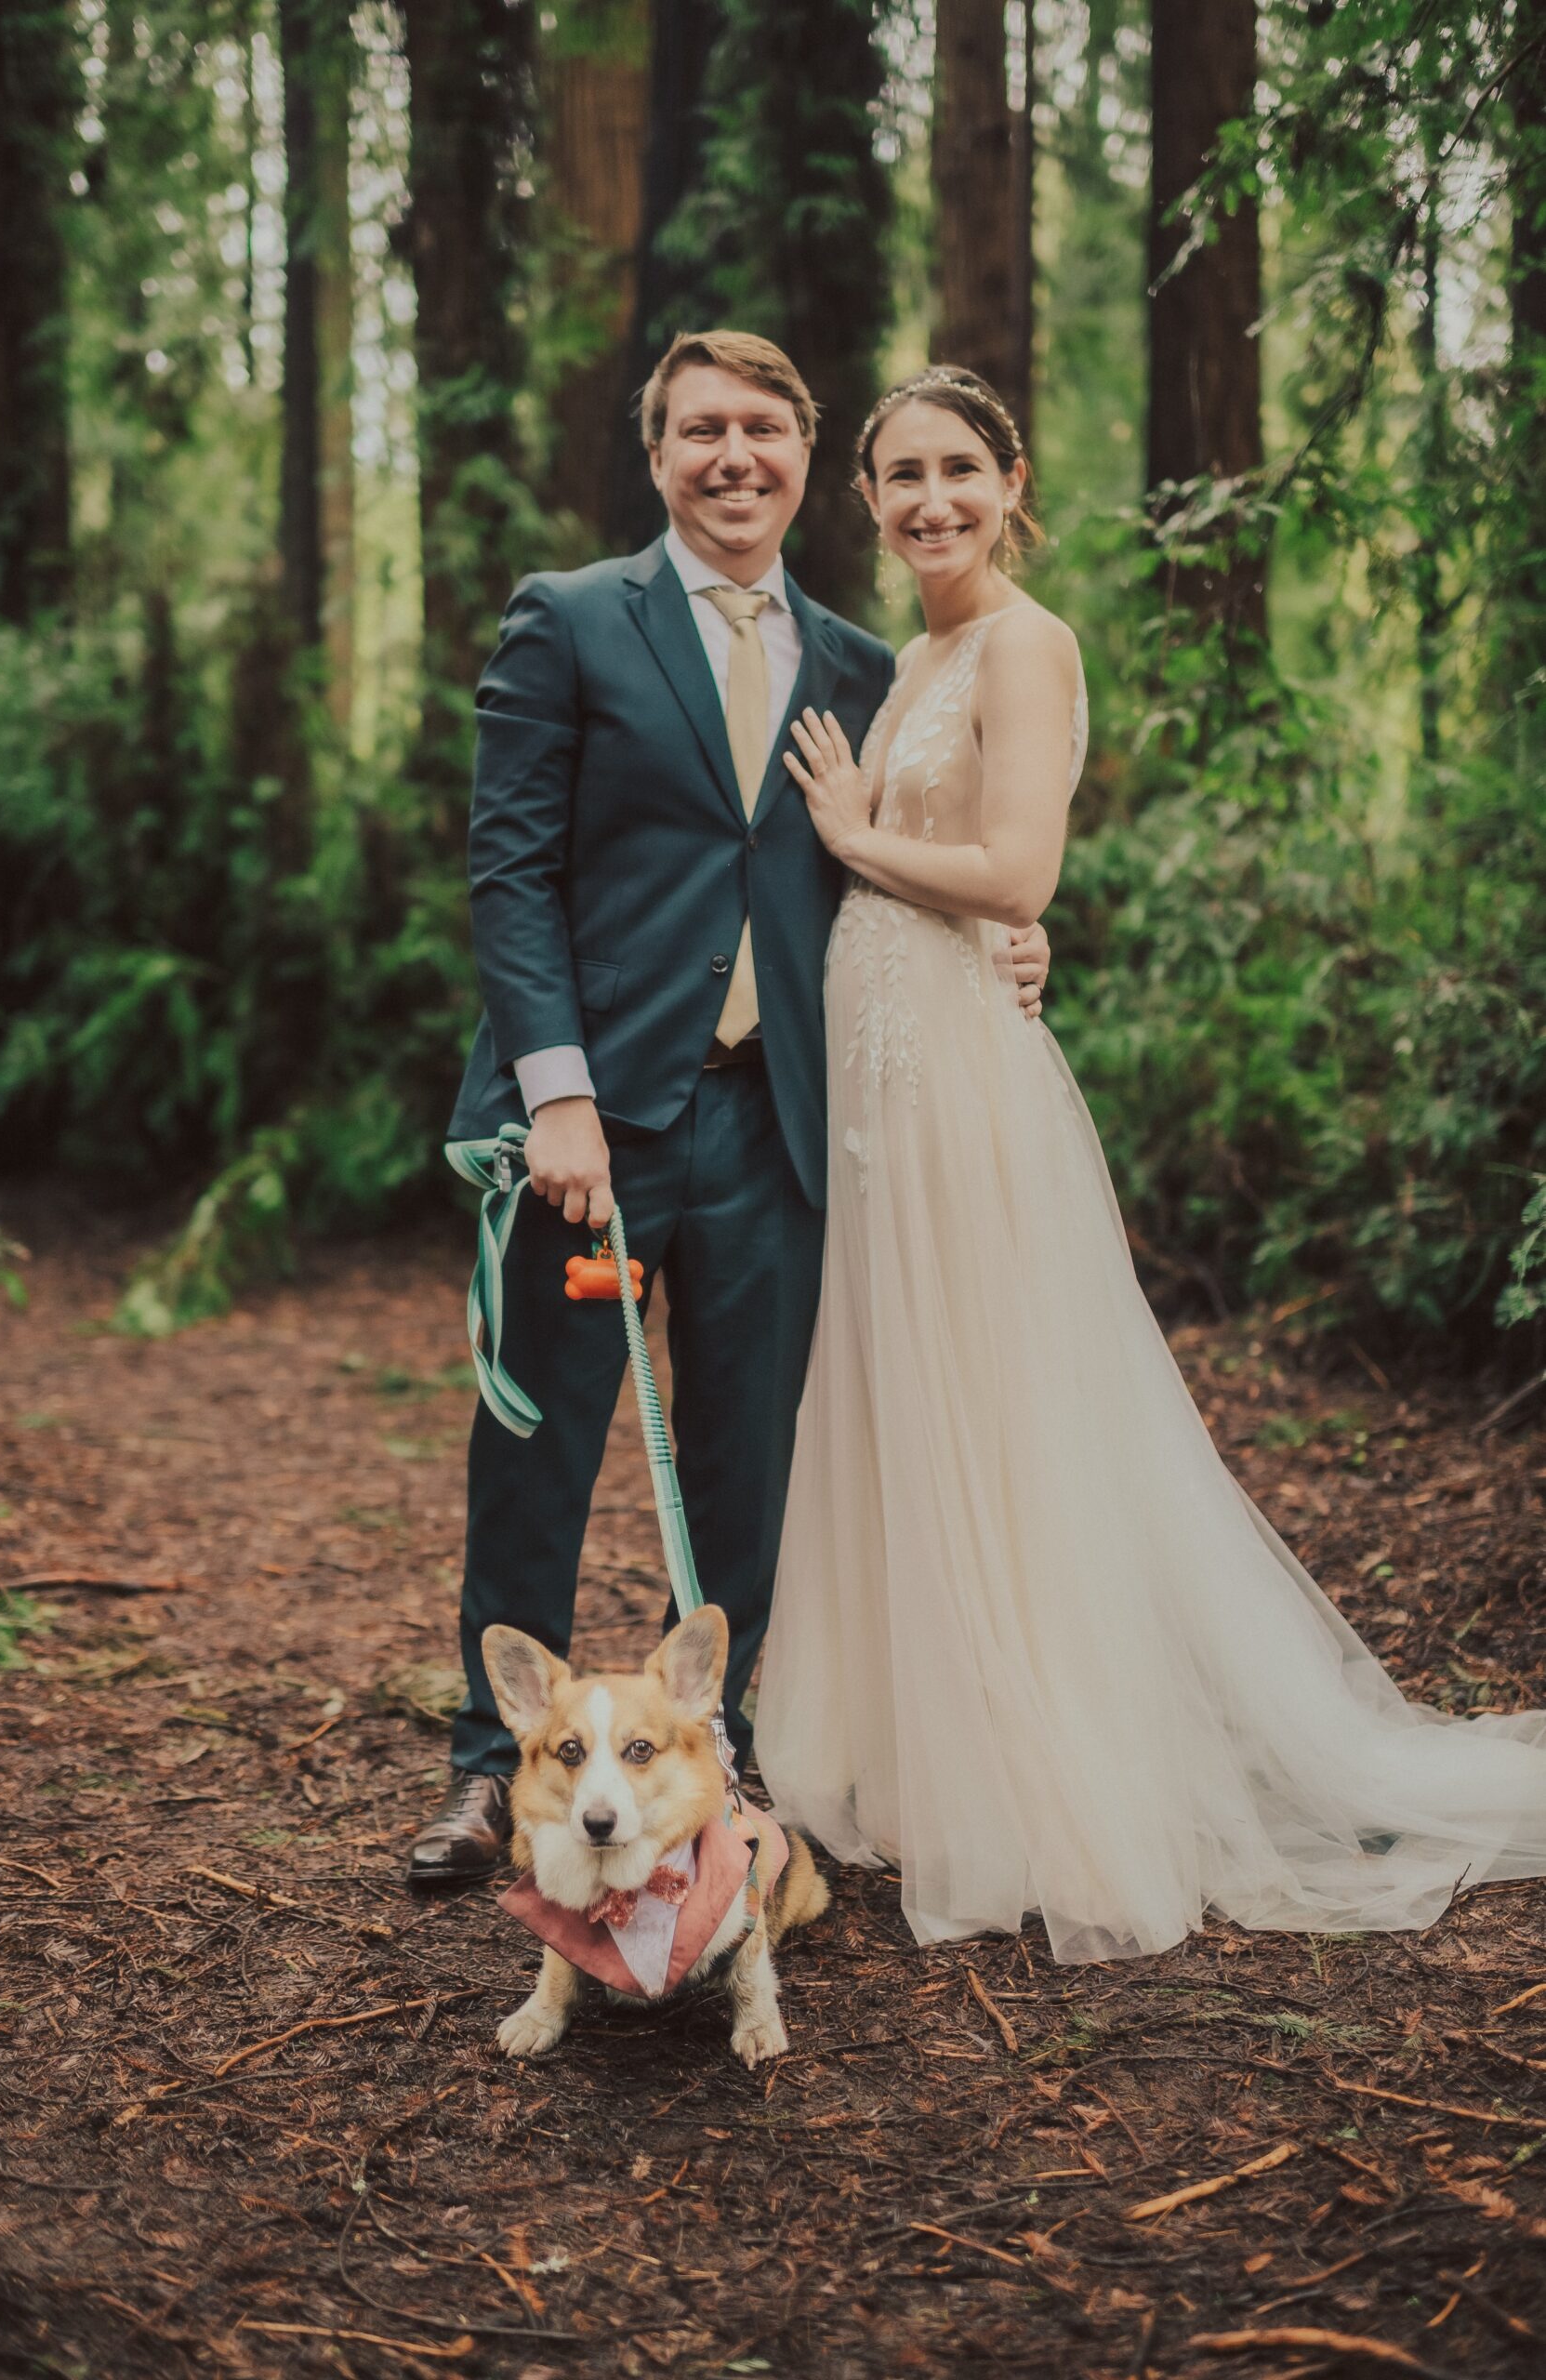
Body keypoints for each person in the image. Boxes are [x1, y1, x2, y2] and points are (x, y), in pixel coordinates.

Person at [754, 364, 1546, 1963]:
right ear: (868, 497)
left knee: (996, 1415)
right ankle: (938, 1760)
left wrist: (853, 838)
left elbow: (1017, 866)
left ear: (1012, 475)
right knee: (922, 1411)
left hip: (961, 1083)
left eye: (959, 470)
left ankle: (1048, 1786)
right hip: (878, 1083)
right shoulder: (912, 653)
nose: (931, 503)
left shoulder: (1031, 644)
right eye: (900, 477)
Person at [408, 334, 1050, 1884]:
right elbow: (508, 875)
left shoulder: (854, 664)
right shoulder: (568, 621)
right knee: (543, 1448)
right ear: (660, 455)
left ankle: (724, 1741)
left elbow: (909, 855)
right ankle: (495, 1771)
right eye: (702, 431)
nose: (733, 457)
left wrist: (1018, 933)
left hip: (778, 1122)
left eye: (763, 429)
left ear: (801, 454)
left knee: (753, 1455)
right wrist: (555, 1094)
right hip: (595, 1130)